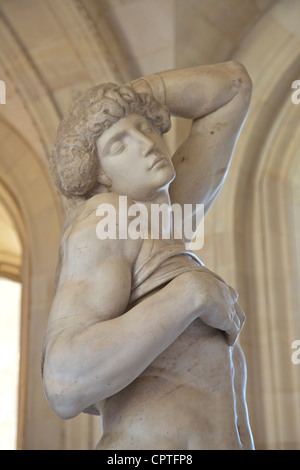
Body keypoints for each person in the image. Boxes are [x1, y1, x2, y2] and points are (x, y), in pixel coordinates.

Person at [42, 62, 254, 450]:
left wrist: (122, 101)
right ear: (101, 175)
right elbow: (63, 380)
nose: (146, 143)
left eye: (144, 127)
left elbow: (233, 86)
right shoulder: (106, 220)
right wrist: (192, 292)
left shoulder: (167, 219)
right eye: (118, 145)